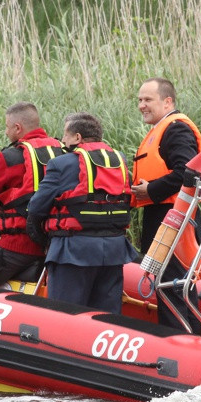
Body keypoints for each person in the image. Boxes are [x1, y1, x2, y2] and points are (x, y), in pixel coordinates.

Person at [26, 112, 137, 314]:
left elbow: (36, 207)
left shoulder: (61, 164)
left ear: (77, 138)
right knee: (107, 317)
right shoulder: (119, 161)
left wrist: (44, 239)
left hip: (72, 251)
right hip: (114, 251)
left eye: (65, 136)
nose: (62, 140)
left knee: (65, 315)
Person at [0, 102, 64, 286]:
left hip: (19, 244)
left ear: (18, 128)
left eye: (7, 127)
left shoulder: (12, 157)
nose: (6, 133)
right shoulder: (61, 150)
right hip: (53, 241)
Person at [131, 77, 201, 332]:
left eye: (148, 100)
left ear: (167, 101)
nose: (142, 105)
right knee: (173, 286)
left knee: (171, 286)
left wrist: (150, 189)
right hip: (168, 220)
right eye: (139, 100)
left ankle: (181, 346)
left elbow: (187, 171)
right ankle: (192, 342)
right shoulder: (163, 128)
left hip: (175, 222)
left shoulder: (175, 128)